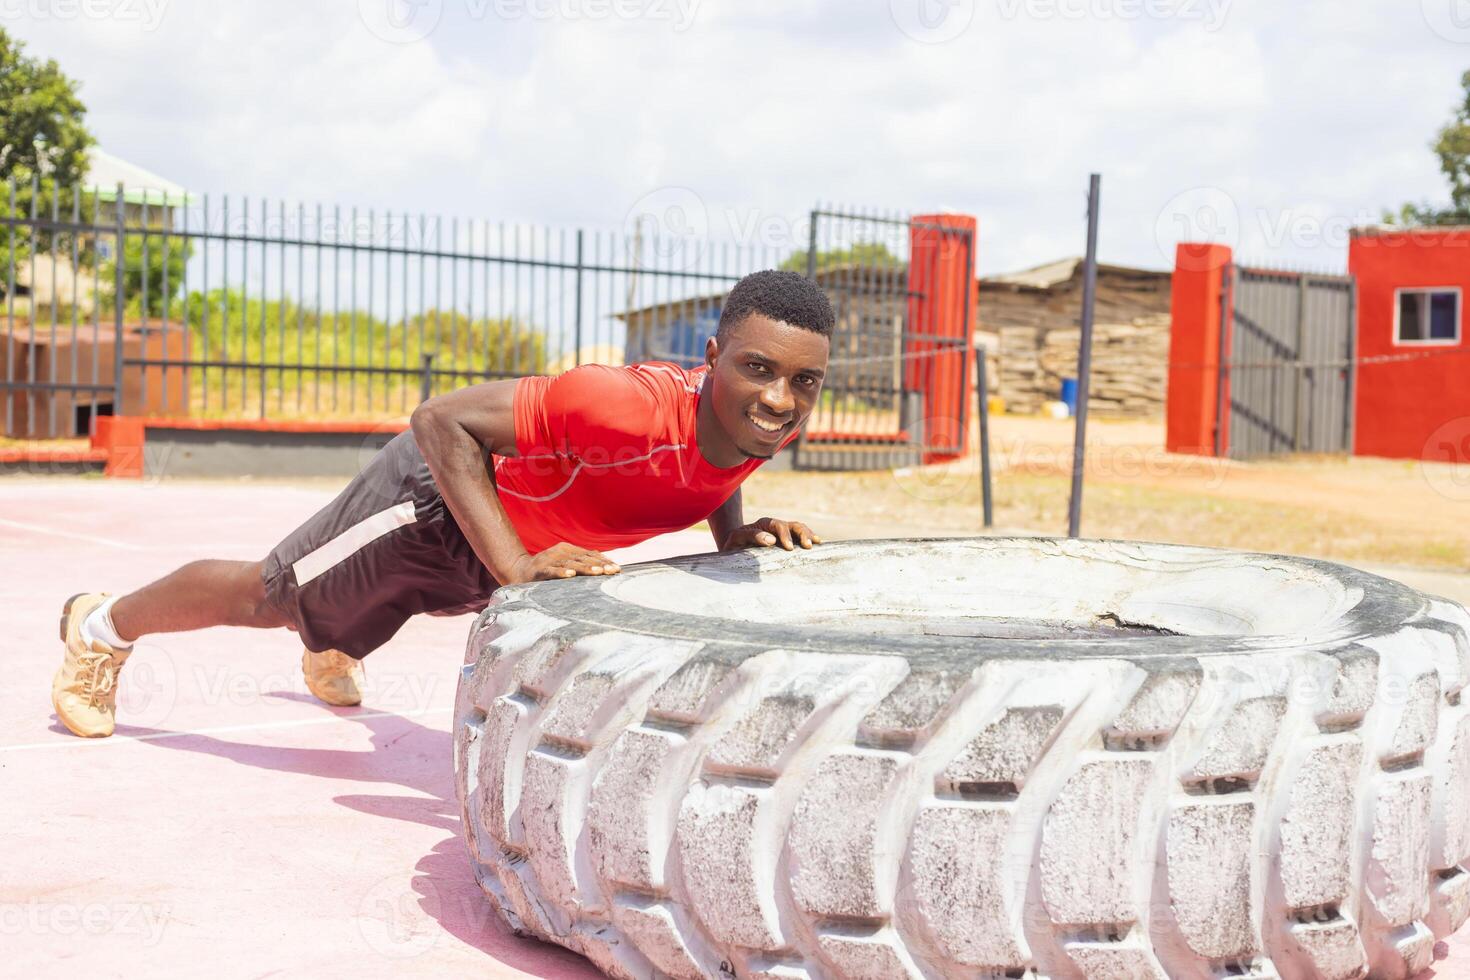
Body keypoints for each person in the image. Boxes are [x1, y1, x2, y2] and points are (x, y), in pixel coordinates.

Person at [52, 269, 833, 738]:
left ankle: (335, 641)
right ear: (712, 359)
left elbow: (715, 465)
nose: (779, 398)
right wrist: (517, 567)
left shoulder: (748, 426)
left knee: (393, 605)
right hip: (436, 501)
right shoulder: (619, 403)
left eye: (804, 382)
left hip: (511, 549)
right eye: (758, 368)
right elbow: (440, 421)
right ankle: (101, 626)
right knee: (272, 597)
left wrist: (735, 536)